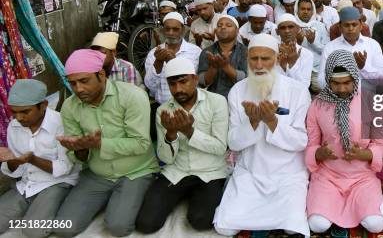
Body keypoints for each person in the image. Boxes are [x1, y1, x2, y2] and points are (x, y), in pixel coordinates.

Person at [213, 34, 311, 236]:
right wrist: (254, 121)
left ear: (276, 59)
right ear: (247, 60)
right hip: (251, 173)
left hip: (288, 174)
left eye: (265, 58)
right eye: (253, 58)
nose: (258, 65)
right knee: (224, 227)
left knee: (292, 229)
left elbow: (301, 142)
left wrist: (272, 121)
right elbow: (233, 142)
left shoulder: (298, 91)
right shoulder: (238, 91)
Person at [54, 50, 158, 237]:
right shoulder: (70, 107)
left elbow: (141, 144)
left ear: (101, 75)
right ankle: (110, 200)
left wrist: (100, 144)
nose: (78, 89)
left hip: (136, 172)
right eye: (72, 83)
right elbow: (79, 158)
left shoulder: (132, 96)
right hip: (97, 173)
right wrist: (79, 150)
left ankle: (121, 201)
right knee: (64, 227)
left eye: (84, 81)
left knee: (118, 227)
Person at [136, 58, 228, 233]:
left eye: (183, 82)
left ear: (195, 79)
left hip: (210, 172)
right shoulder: (163, 110)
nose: (178, 89)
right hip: (176, 171)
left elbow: (220, 147)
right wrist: (170, 134)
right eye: (172, 84)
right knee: (146, 224)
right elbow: (165, 158)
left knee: (201, 221)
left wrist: (189, 132)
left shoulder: (217, 102)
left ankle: (196, 198)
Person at [306, 50, 383, 233]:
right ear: (328, 80)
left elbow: (382, 144)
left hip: (362, 177)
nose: (342, 89)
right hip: (328, 176)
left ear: (355, 79)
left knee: (375, 225)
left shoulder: (372, 101)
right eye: (335, 83)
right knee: (318, 225)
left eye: (347, 83)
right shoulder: (317, 105)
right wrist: (319, 153)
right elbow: (311, 144)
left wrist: (365, 154)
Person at [0, 80, 79, 238]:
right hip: (26, 183)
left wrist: (32, 159)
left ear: (43, 105)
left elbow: (64, 168)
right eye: (14, 112)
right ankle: (35, 207)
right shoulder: (14, 127)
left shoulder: (61, 123)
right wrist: (12, 161)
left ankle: (67, 204)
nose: (19, 117)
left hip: (56, 182)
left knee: (33, 231)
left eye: (25, 112)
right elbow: (16, 171)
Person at [318, 7, 383, 89]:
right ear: (340, 27)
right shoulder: (330, 47)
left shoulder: (373, 45)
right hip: (340, 98)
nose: (351, 29)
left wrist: (363, 68)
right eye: (346, 25)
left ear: (361, 25)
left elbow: (382, 79)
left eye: (354, 24)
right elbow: (321, 82)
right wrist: (341, 74)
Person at [145, 12, 202, 106]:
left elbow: (198, 83)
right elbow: (151, 87)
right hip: (163, 106)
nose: (171, 33)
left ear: (183, 30)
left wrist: (174, 63)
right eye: (167, 29)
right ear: (163, 31)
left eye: (175, 29)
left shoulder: (195, 52)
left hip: (191, 106)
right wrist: (158, 62)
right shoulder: (154, 54)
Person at [198, 15, 248, 99]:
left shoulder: (245, 51)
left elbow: (246, 80)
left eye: (228, 25)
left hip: (238, 100)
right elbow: (201, 82)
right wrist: (213, 68)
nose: (223, 27)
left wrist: (226, 67)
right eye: (219, 25)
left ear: (237, 31)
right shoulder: (207, 52)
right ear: (215, 31)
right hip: (212, 101)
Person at [294, 0, 330, 93]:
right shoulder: (291, 25)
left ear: (312, 11)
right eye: (302, 9)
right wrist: (298, 42)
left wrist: (313, 42)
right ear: (297, 10)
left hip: (316, 69)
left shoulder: (320, 26)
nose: (305, 12)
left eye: (308, 9)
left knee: (320, 92)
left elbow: (327, 49)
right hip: (297, 68)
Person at [276, 14, 315, 89]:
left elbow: (304, 85)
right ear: (277, 31)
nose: (287, 31)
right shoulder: (272, 52)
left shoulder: (306, 54)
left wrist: (291, 65)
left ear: (298, 29)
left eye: (291, 27)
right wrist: (283, 67)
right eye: (283, 28)